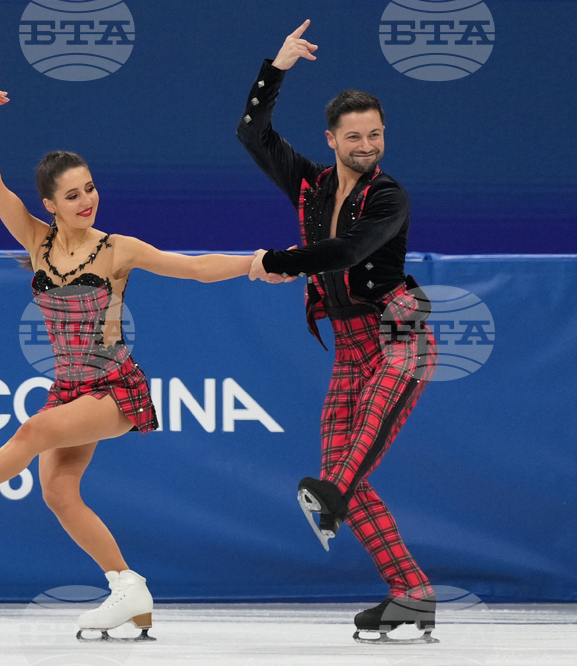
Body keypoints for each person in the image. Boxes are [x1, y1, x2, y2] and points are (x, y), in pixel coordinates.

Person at [0, 75, 281, 641]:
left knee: (31, 430)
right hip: (70, 387)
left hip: (115, 387)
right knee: (58, 492)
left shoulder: (116, 248)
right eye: (72, 195)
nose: (86, 200)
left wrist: (255, 260)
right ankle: (128, 590)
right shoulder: (37, 242)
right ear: (50, 205)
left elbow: (194, 266)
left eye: (90, 188)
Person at [236, 21, 440, 644]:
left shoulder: (390, 197)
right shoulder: (309, 182)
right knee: (337, 473)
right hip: (352, 348)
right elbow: (252, 132)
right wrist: (278, 67)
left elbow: (349, 252)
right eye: (354, 136)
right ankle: (412, 593)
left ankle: (336, 502)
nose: (367, 144)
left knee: (339, 479)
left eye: (375, 134)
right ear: (331, 139)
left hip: (400, 334)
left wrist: (280, 262)